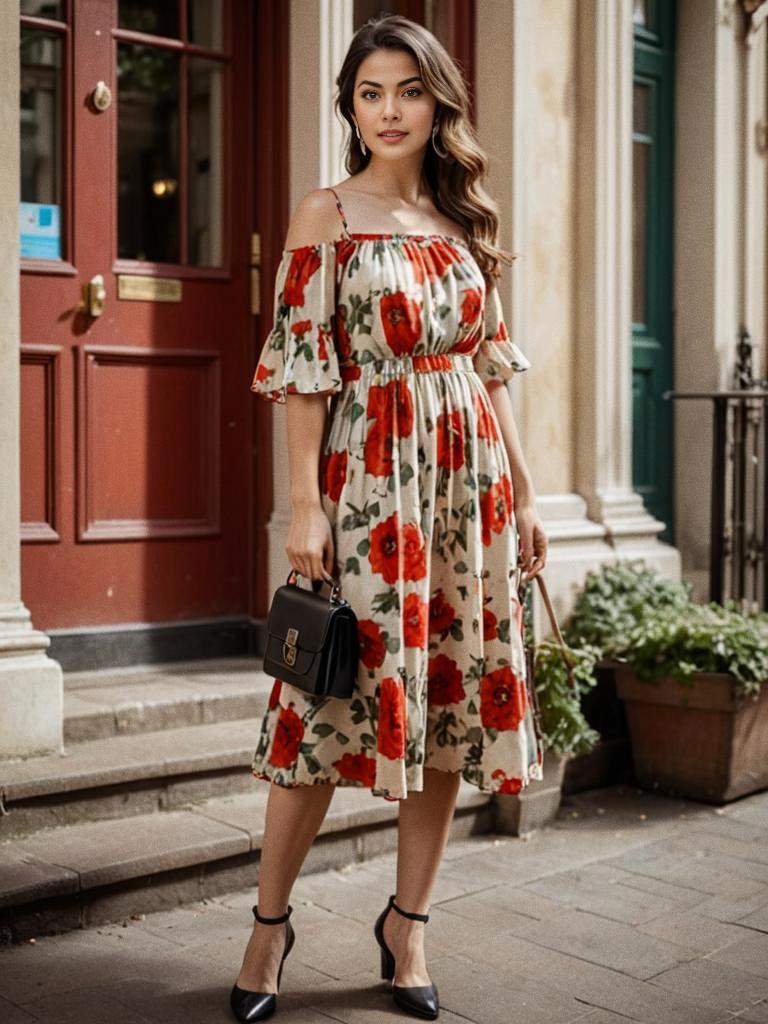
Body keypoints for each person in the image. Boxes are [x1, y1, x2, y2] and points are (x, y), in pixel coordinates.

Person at [231, 13, 548, 1023]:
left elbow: (490, 376)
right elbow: (299, 373)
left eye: (408, 90)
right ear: (350, 108)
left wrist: (530, 492)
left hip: (467, 490)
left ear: (438, 101)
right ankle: (268, 925)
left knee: (448, 710)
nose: (391, 110)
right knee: (325, 711)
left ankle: (409, 924)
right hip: (369, 489)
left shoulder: (463, 226)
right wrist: (300, 509)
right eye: (371, 92)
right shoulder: (325, 213)